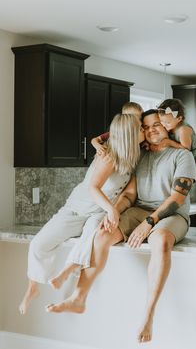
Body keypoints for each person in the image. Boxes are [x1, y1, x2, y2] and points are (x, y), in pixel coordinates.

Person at [46, 110, 196, 344]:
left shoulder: (182, 156)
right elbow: (129, 194)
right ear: (142, 131)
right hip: (139, 210)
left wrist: (149, 223)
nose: (152, 129)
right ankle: (78, 298)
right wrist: (113, 211)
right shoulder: (141, 155)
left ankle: (148, 314)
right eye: (146, 127)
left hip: (172, 214)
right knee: (102, 233)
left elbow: (177, 198)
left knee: (161, 240)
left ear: (166, 127)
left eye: (157, 124)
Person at [19, 113, 144, 315]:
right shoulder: (109, 156)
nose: (144, 130)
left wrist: (111, 211)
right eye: (140, 128)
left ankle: (67, 271)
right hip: (77, 208)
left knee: (92, 236)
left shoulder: (134, 156)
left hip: (97, 212)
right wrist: (112, 209)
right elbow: (94, 188)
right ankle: (32, 287)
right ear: (130, 134)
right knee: (39, 244)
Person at [155, 98, 196, 228]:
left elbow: (186, 148)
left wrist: (169, 142)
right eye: (162, 122)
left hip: (195, 157)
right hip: (180, 161)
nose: (164, 125)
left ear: (179, 119)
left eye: (167, 122)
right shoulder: (169, 127)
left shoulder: (183, 130)